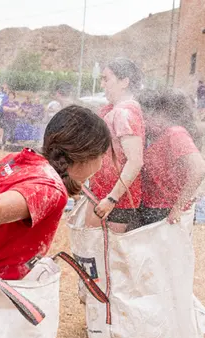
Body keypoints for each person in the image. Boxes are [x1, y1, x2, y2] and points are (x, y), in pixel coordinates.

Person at [0, 105, 110, 301]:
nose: (101, 163)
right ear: (85, 156)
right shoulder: (49, 189)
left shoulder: (14, 160)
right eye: (102, 156)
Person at [88, 58, 145, 232]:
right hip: (103, 193)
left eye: (106, 79)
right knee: (94, 249)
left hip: (116, 201)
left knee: (105, 254)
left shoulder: (124, 113)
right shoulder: (114, 109)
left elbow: (135, 161)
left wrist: (112, 199)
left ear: (124, 82)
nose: (102, 85)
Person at [137, 89, 205, 226]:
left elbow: (199, 169)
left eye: (152, 114)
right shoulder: (158, 136)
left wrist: (177, 208)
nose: (145, 121)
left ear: (166, 114)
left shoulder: (175, 134)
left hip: (165, 211)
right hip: (154, 207)